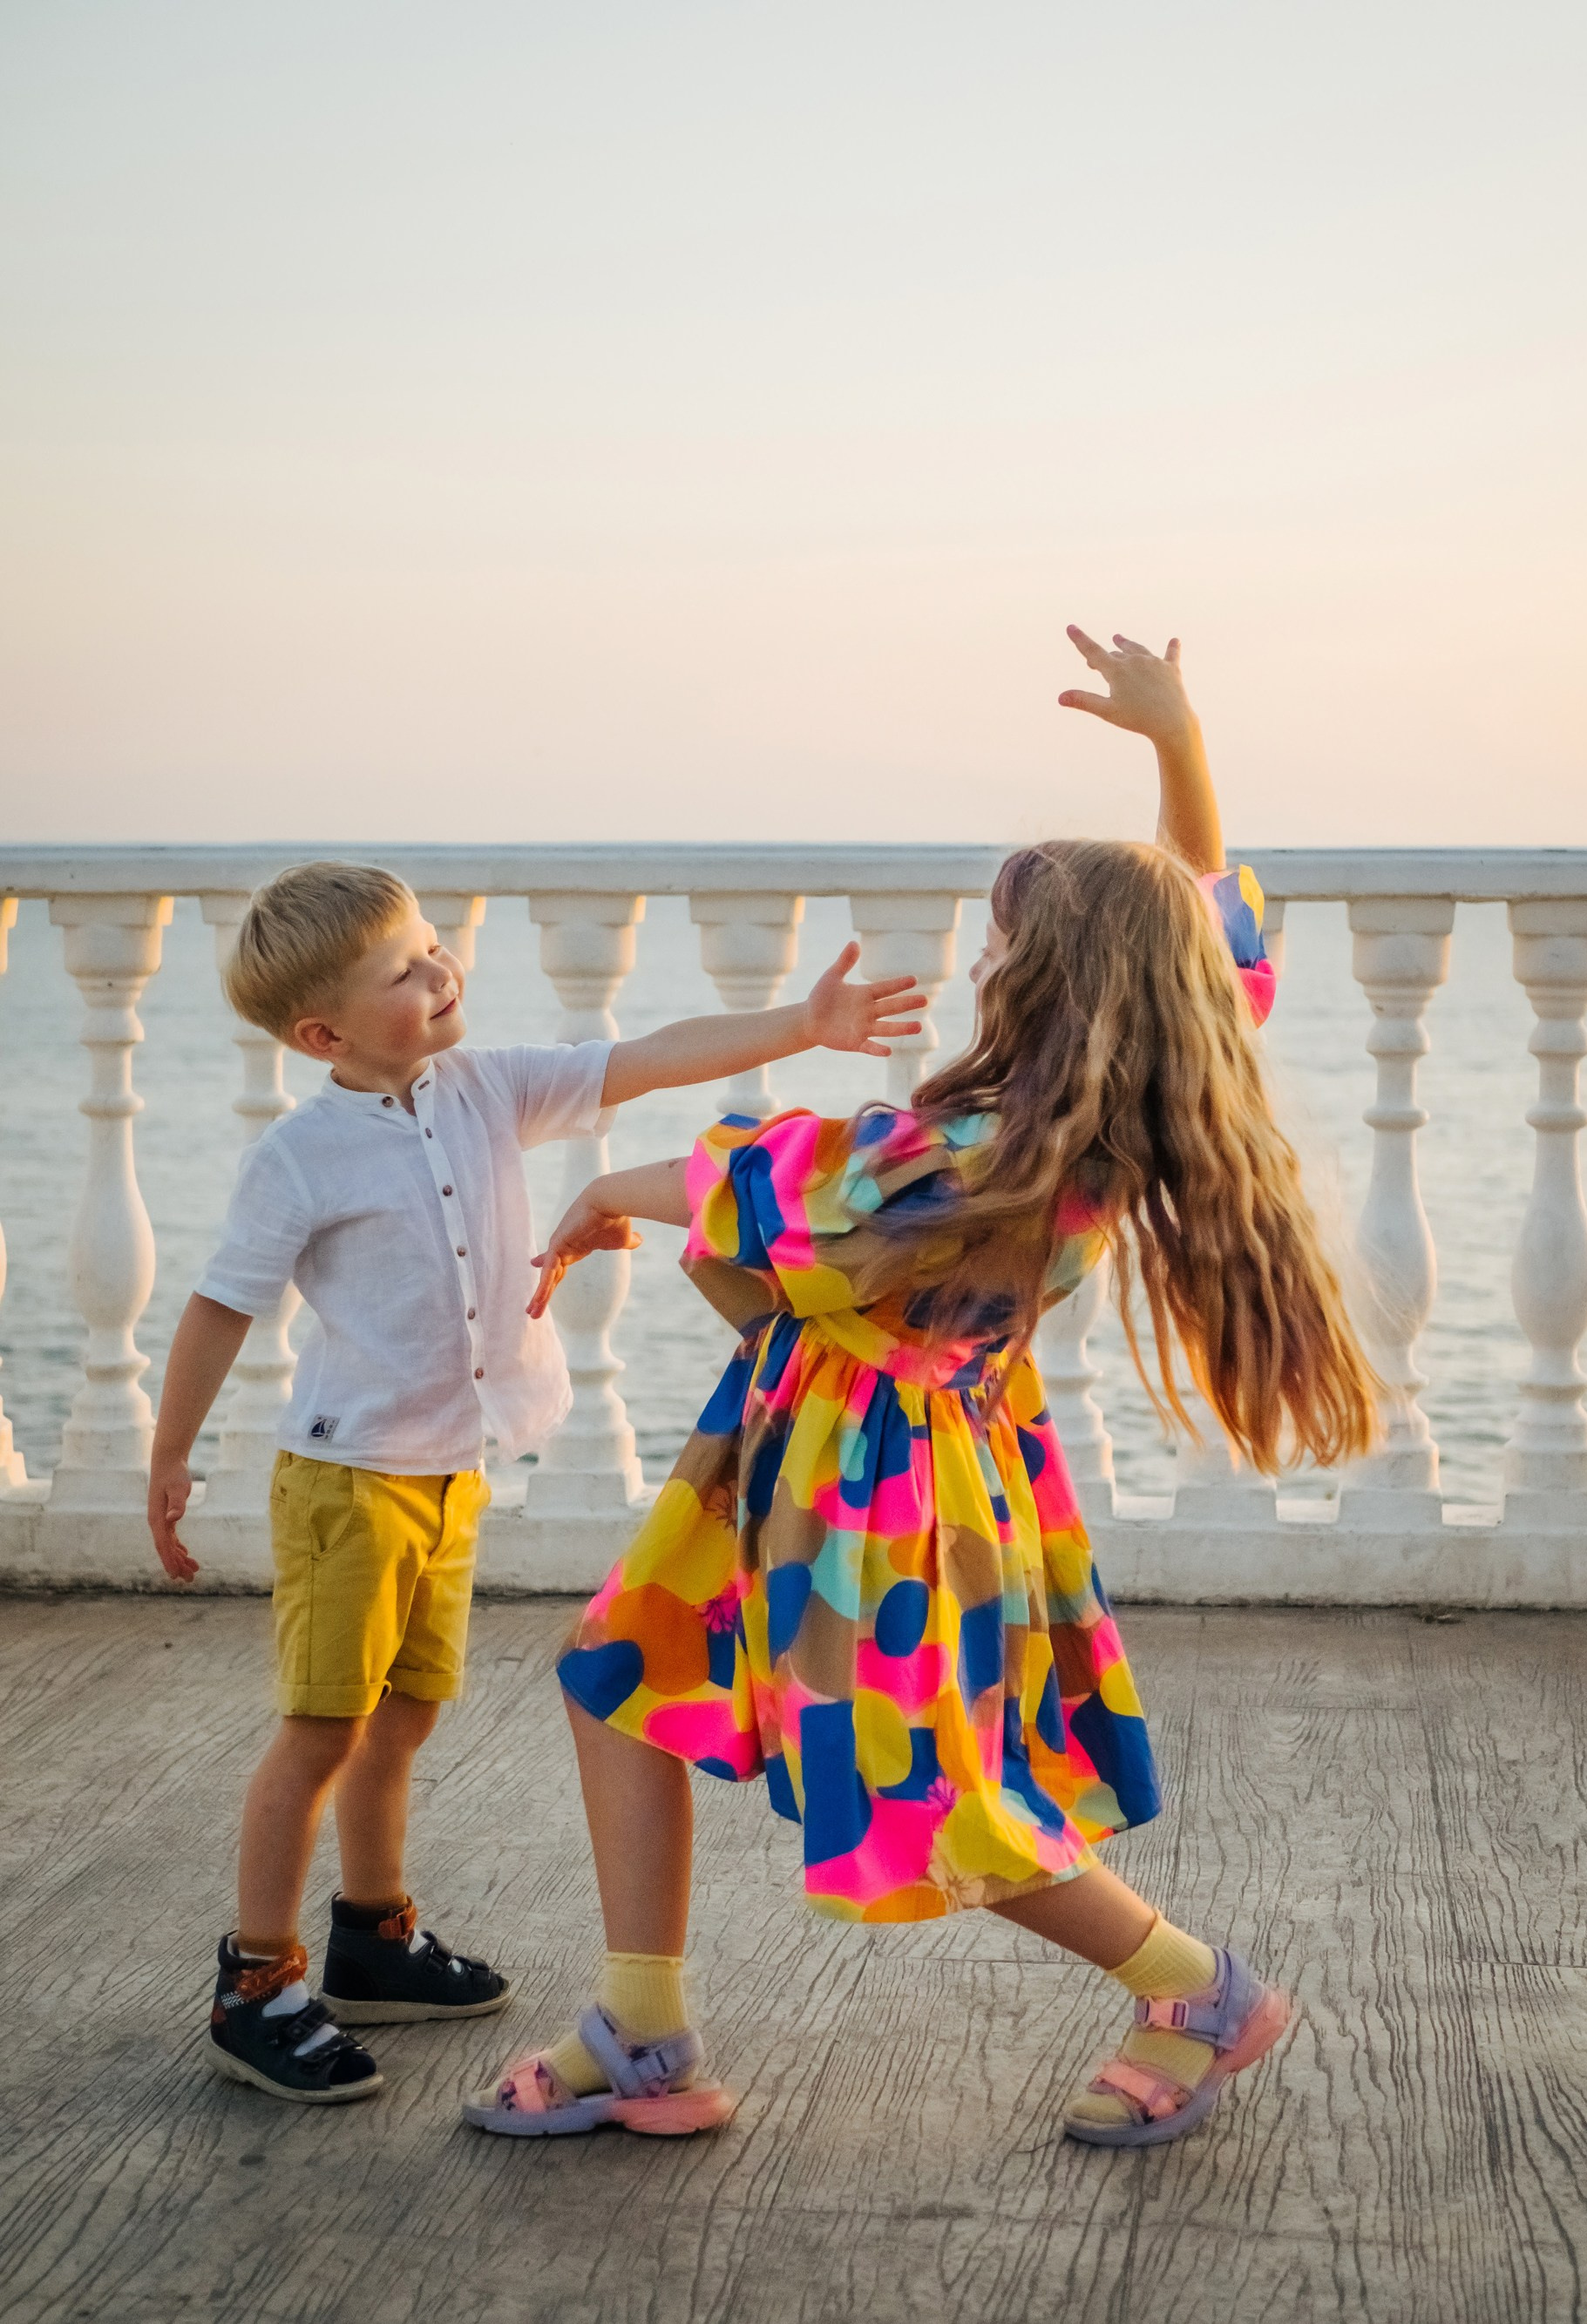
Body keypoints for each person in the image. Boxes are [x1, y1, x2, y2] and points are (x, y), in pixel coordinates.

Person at [465, 627, 1377, 2150]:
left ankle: (1201, 1990)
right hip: (809, 1455)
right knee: (622, 1679)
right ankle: (644, 2030)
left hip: (878, 1496)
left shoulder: (972, 1163)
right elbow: (1215, 939)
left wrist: (606, 1193)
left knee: (932, 1795)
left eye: (1001, 943)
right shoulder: (1114, 1107)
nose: (978, 959)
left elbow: (775, 1193)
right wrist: (1179, 745)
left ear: (1060, 984)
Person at [146, 864, 925, 2105]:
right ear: (321, 1034)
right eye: (404, 973)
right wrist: (171, 1450)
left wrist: (800, 1027)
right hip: (347, 1482)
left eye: (433, 947)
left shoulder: (486, 1086)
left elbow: (649, 1057)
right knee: (321, 1732)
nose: (441, 971)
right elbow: (219, 1305)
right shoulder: (299, 1159)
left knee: (402, 1721)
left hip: (445, 1472)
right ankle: (257, 1981)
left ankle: (372, 1935)